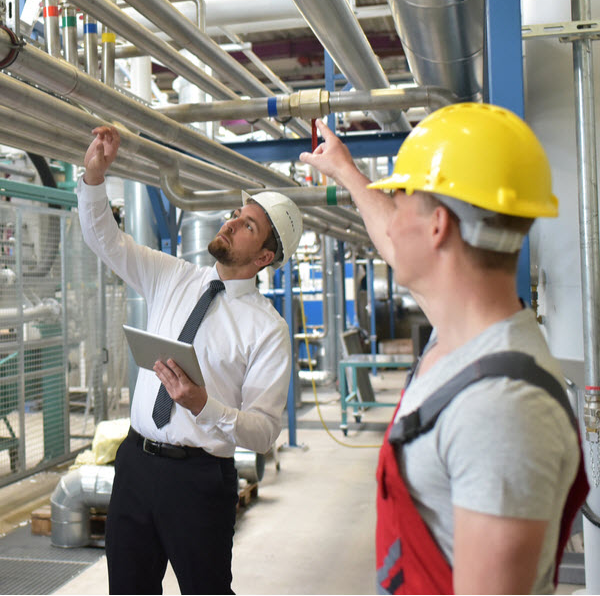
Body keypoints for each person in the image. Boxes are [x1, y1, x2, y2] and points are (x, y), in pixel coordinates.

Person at [300, 103, 589, 594]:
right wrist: (347, 172)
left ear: (438, 226)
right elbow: (395, 242)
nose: (391, 223)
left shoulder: (500, 409)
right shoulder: (460, 334)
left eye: (403, 198)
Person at [78, 125, 303, 594]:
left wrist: (204, 405)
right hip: (136, 465)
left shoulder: (267, 329)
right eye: (237, 214)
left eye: (248, 225)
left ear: (264, 257)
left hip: (199, 481)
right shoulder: (173, 276)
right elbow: (106, 241)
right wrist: (94, 178)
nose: (231, 223)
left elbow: (263, 432)